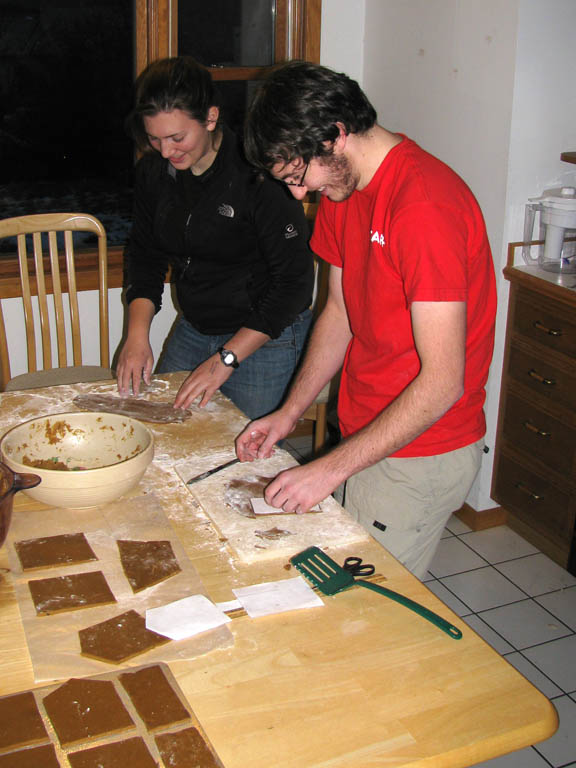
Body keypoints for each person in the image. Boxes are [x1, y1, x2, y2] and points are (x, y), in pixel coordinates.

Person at [236, 61, 497, 578]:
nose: (297, 193)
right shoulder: (344, 189)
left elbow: (444, 381)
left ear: (334, 135)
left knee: (365, 615)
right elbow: (340, 312)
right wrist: (292, 412)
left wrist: (327, 469)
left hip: (420, 453)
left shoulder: (423, 206)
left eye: (296, 175)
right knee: (341, 593)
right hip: (365, 433)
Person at [116, 57, 314, 420]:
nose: (165, 151)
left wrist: (228, 357)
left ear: (210, 118)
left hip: (265, 333)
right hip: (196, 327)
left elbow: (295, 283)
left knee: (242, 449)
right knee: (166, 428)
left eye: (177, 138)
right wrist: (136, 335)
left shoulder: (258, 175)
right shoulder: (154, 172)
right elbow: (145, 254)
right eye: (155, 138)